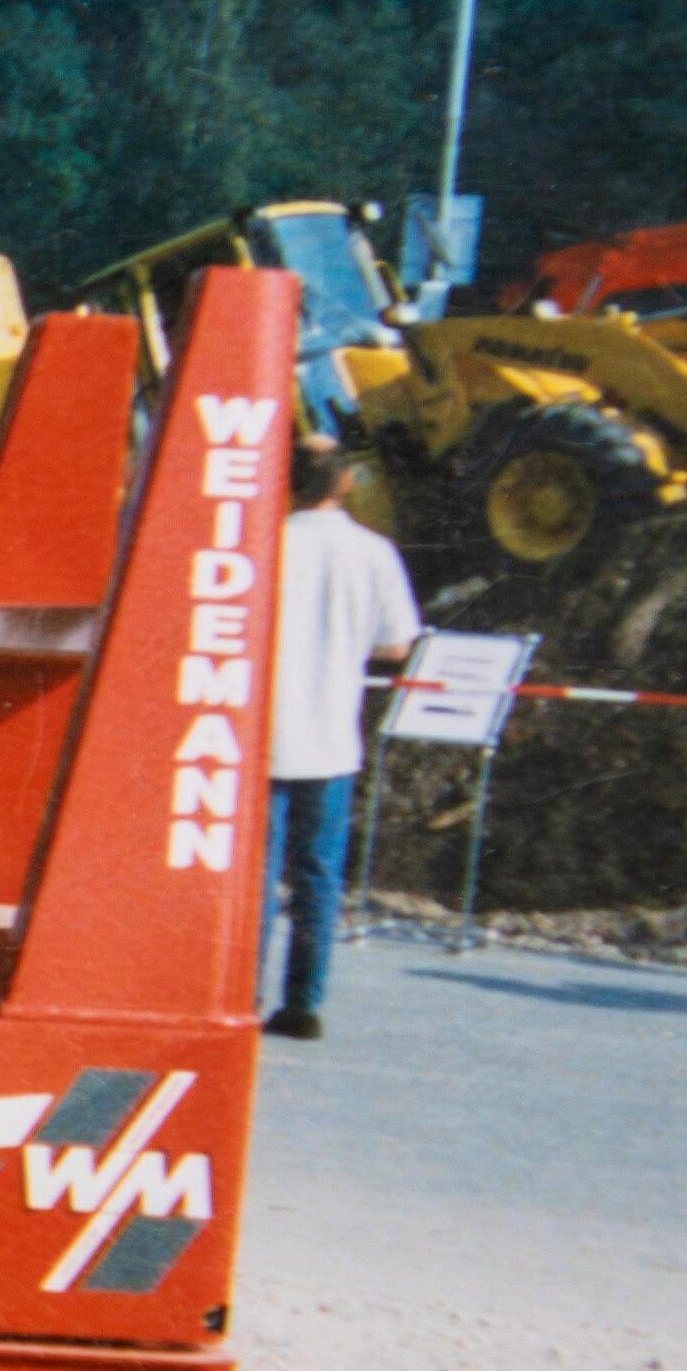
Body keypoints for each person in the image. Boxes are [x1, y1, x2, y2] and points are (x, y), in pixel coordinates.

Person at [262, 433, 424, 1040]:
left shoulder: (264, 546)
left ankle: (238, 996)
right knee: (318, 875)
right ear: (346, 482)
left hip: (261, 738)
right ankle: (303, 1002)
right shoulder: (374, 552)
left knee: (255, 875)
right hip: (330, 736)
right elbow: (395, 644)